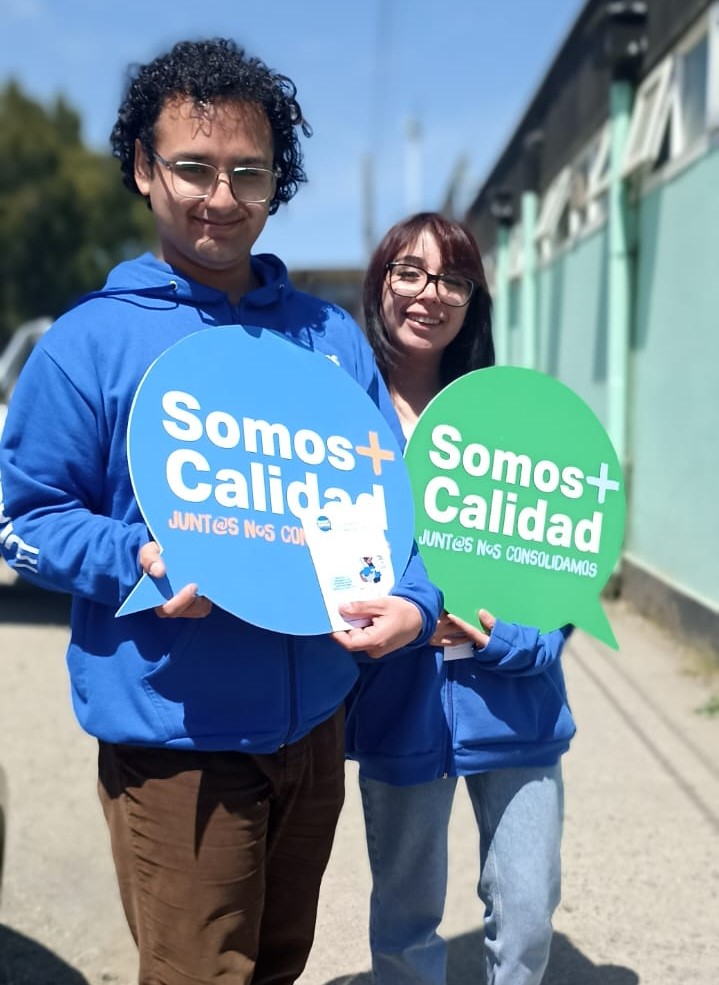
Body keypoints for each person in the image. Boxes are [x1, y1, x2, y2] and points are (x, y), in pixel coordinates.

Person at [0, 41, 441, 985]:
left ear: (278, 180)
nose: (221, 196)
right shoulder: (88, 343)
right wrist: (137, 556)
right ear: (143, 167)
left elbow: (391, 505)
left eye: (249, 171)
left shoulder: (327, 338)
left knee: (277, 964)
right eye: (193, 167)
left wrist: (415, 600)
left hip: (313, 728)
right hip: (178, 743)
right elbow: (26, 520)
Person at [345, 212, 576, 985]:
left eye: (452, 279)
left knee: (527, 910)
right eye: (408, 272)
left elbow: (564, 562)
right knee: (403, 915)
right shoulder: (341, 418)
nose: (429, 294)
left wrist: (504, 639)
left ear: (473, 299)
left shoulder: (513, 417)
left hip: (517, 711)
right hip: (397, 711)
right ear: (379, 283)